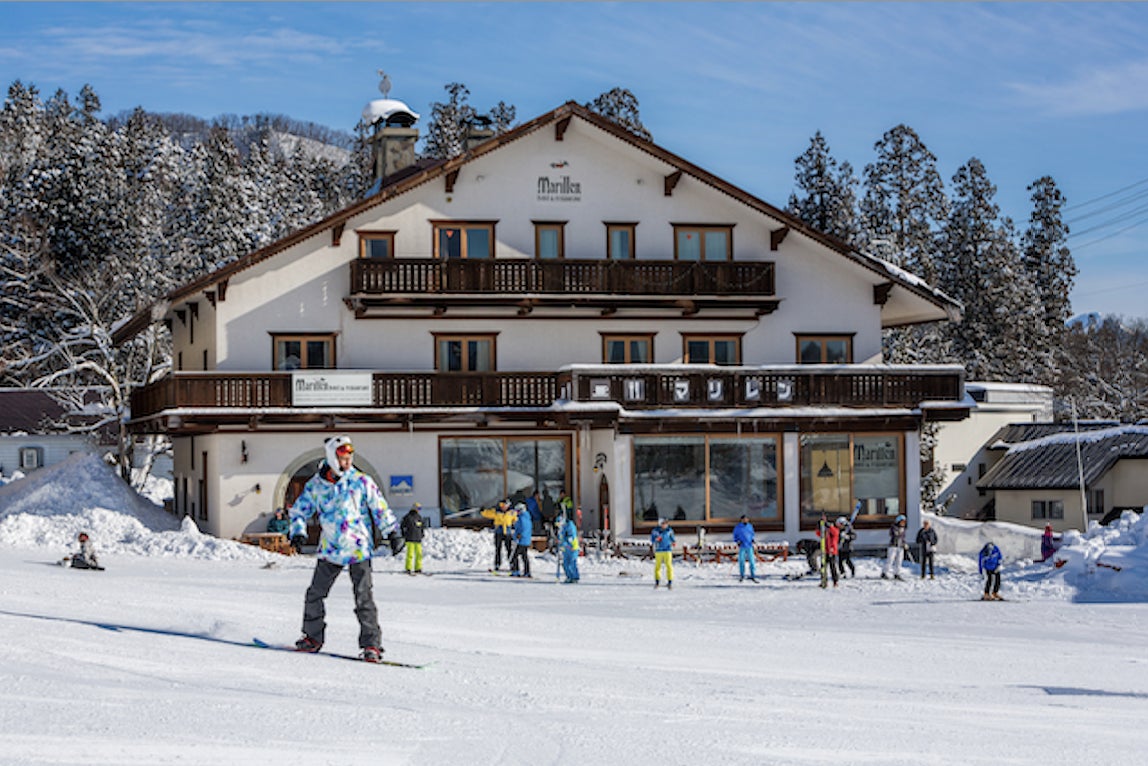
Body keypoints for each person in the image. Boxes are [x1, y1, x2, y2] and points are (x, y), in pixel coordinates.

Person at [288, 435, 402, 663]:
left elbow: (379, 507)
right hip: (330, 549)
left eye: (350, 457)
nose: (347, 461)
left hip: (358, 548)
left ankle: (371, 645)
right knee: (314, 595)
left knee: (364, 598)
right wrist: (298, 532)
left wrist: (392, 531)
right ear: (332, 458)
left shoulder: (361, 481)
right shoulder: (315, 486)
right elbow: (299, 511)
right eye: (342, 457)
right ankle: (312, 637)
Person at [481, 499, 515, 572]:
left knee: (509, 549)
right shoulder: (496, 512)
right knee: (498, 549)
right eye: (501, 505)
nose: (502, 507)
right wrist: (483, 511)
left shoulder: (511, 512)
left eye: (504, 505)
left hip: (507, 533)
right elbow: (488, 514)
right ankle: (497, 564)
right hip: (498, 532)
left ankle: (512, 564)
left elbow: (516, 519)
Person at [816, 514, 841, 587]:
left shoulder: (833, 529)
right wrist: (818, 527)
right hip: (824, 551)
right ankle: (824, 580)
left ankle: (835, 581)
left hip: (832, 551)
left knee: (832, 567)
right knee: (823, 567)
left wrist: (829, 526)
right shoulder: (824, 531)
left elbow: (836, 533)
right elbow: (818, 534)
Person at [401, 502, 425, 575]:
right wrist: (404, 534)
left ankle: (418, 568)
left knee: (419, 554)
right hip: (410, 538)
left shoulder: (419, 517)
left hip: (418, 538)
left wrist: (422, 534)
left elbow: (421, 527)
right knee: (410, 554)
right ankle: (408, 568)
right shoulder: (408, 517)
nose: (419, 510)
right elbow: (402, 526)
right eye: (418, 508)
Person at [651, 518, 675, 589]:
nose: (665, 525)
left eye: (666, 523)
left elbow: (672, 538)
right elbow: (652, 539)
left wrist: (673, 542)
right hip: (659, 550)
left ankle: (670, 581)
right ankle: (657, 581)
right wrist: (656, 539)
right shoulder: (655, 531)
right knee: (658, 566)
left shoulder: (669, 530)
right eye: (663, 523)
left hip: (667, 549)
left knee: (669, 565)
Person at [510, 502, 533, 578]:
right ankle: (527, 571)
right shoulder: (524, 517)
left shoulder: (523, 518)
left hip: (522, 540)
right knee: (524, 556)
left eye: (517, 511)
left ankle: (516, 571)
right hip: (524, 540)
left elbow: (524, 528)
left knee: (515, 556)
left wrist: (519, 535)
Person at [882, 514, 908, 580]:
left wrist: (904, 544)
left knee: (899, 560)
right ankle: (885, 572)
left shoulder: (903, 529)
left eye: (904, 522)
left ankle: (897, 573)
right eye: (902, 522)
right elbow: (894, 535)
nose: (903, 523)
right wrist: (898, 533)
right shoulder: (894, 527)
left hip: (900, 546)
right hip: (893, 545)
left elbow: (903, 538)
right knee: (890, 559)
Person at [732, 515, 758, 582]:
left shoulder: (750, 526)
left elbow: (752, 534)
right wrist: (737, 541)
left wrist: (752, 539)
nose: (745, 520)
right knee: (741, 561)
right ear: (741, 520)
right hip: (742, 546)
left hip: (749, 545)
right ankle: (742, 574)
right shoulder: (738, 527)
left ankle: (753, 574)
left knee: (752, 561)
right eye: (744, 519)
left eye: (746, 519)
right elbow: (735, 535)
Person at [558, 510, 580, 583]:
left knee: (572, 563)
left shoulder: (570, 525)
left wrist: (566, 542)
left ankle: (574, 577)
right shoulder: (561, 528)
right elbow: (561, 537)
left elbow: (571, 536)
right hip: (565, 548)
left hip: (572, 547)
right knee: (565, 563)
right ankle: (569, 576)